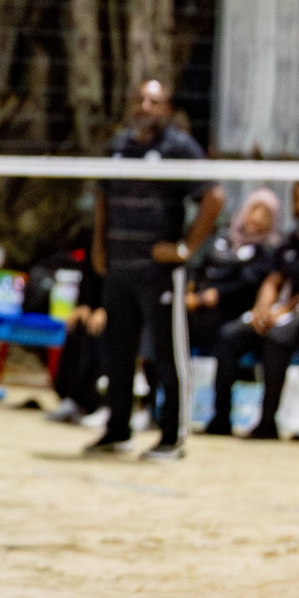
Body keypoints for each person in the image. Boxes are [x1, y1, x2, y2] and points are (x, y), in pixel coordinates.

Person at [88, 79, 225, 460]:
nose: (145, 106)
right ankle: (117, 429)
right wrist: (99, 245)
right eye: (139, 99)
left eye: (154, 100)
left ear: (165, 108)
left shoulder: (178, 147)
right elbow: (102, 195)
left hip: (158, 271)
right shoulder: (117, 146)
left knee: (166, 354)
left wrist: (185, 248)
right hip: (119, 265)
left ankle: (172, 436)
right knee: (117, 352)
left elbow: (214, 196)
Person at [205, 181, 299, 439]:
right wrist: (262, 310)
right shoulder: (290, 242)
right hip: (286, 315)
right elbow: (273, 280)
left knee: (278, 335)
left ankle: (267, 422)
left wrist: (285, 307)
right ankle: (220, 419)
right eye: (298, 199)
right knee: (231, 334)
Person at [185, 187, 279, 352]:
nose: (257, 218)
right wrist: (189, 289)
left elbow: (247, 282)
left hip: (229, 308)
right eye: (254, 209)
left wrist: (213, 295)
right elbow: (198, 263)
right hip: (196, 301)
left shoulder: (268, 250)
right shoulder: (222, 236)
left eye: (265, 214)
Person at [44, 252, 106, 424]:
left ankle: (102, 404)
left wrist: (106, 309)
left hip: (122, 306)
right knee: (78, 326)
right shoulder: (94, 241)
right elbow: (90, 276)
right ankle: (73, 399)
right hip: (97, 304)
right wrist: (84, 305)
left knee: (101, 332)